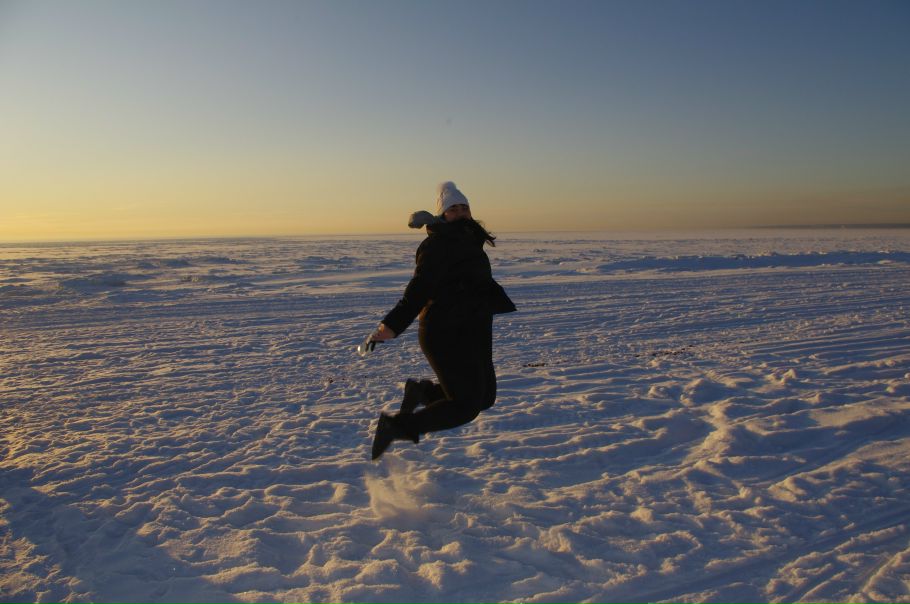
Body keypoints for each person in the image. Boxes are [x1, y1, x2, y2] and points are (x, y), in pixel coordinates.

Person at [368, 181, 516, 460]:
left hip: (474, 328)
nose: (461, 212)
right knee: (465, 406)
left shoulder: (469, 239)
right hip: (445, 332)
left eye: (465, 207)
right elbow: (419, 288)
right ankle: (396, 427)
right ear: (443, 214)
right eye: (454, 208)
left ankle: (422, 392)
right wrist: (392, 326)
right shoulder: (438, 244)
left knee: (485, 398)